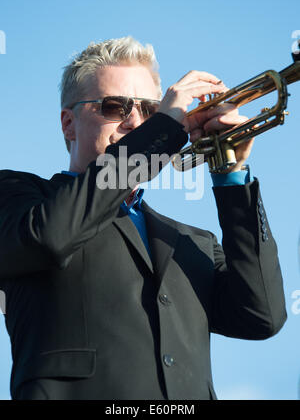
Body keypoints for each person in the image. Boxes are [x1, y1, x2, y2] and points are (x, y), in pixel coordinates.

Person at [0, 36, 287, 400]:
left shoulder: (191, 240)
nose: (136, 122)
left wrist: (230, 169)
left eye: (149, 110)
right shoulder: (20, 198)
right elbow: (49, 237)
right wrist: (164, 127)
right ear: (68, 124)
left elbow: (260, 315)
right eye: (115, 107)